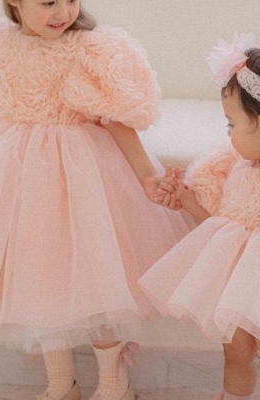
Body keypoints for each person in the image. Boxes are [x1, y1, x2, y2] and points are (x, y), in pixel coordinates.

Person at [0, 1, 190, 399]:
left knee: (98, 281)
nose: (62, 12)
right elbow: (0, 103)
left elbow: (114, 121)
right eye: (47, 2)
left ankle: (114, 383)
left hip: (81, 180)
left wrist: (147, 176)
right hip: (18, 181)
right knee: (37, 282)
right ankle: (61, 383)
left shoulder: (89, 48)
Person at [139, 33, 260, 400]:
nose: (228, 134)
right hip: (239, 289)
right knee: (236, 352)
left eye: (232, 124)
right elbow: (218, 226)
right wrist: (187, 200)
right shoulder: (236, 167)